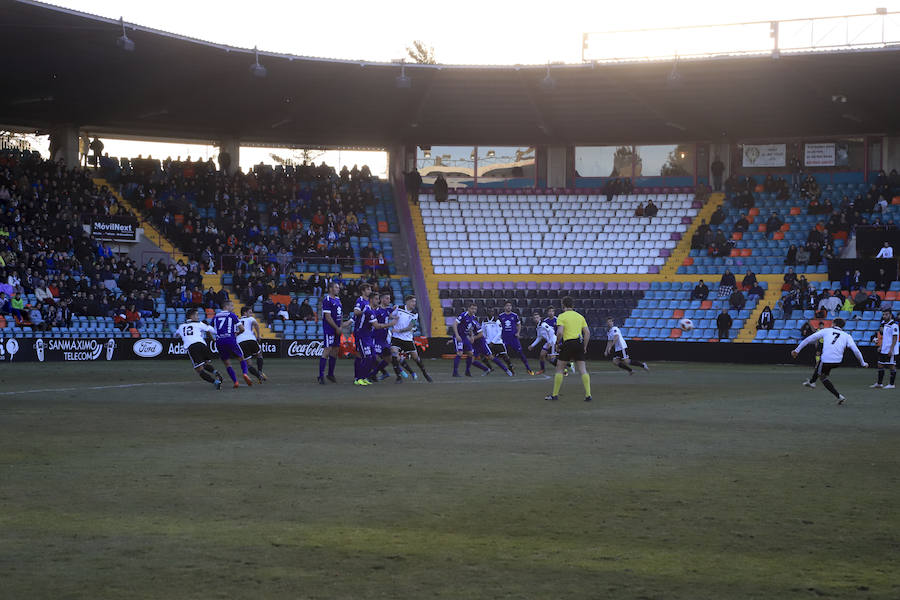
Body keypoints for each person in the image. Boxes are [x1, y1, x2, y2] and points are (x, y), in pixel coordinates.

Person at [794, 318, 867, 404]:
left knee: (822, 374)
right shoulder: (847, 336)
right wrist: (863, 363)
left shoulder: (826, 330)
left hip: (826, 360)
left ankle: (838, 396)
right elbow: (856, 350)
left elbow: (809, 339)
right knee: (821, 365)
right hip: (838, 362)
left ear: (833, 324)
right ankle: (812, 382)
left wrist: (797, 350)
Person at [544, 296, 592, 403]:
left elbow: (560, 332)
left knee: (560, 368)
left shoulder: (562, 316)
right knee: (582, 369)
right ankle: (588, 395)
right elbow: (587, 333)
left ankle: (555, 395)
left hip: (568, 343)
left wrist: (557, 343)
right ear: (573, 305)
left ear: (563, 305)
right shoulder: (580, 316)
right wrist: (584, 346)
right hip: (579, 343)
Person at [174, 308, 223, 389]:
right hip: (203, 345)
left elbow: (175, 335)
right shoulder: (200, 324)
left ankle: (216, 382)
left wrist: (181, 335)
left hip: (193, 347)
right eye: (197, 315)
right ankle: (216, 372)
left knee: (199, 370)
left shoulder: (181, 326)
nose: (198, 317)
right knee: (206, 364)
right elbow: (213, 330)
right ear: (191, 316)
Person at [389, 295, 432, 382]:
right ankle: (398, 377)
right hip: (396, 338)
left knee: (416, 358)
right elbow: (389, 315)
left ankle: (425, 373)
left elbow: (410, 327)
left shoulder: (415, 313)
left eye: (415, 302)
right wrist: (393, 317)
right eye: (412, 301)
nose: (414, 303)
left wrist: (398, 330)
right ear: (407, 301)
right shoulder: (399, 308)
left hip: (407, 339)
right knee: (394, 354)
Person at [213, 300, 254, 388]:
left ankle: (235, 382)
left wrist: (213, 339)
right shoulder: (232, 315)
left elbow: (209, 329)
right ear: (226, 307)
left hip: (219, 341)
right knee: (241, 358)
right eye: (231, 306)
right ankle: (245, 374)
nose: (233, 307)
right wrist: (237, 333)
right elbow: (242, 329)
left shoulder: (216, 316)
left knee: (227, 363)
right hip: (230, 339)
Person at [450, 303, 491, 377]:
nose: (473, 310)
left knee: (470, 354)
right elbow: (454, 324)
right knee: (460, 353)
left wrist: (472, 336)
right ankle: (455, 372)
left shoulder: (473, 317)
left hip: (465, 337)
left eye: (475, 309)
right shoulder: (463, 315)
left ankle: (467, 371)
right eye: (472, 308)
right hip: (459, 336)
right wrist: (457, 335)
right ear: (468, 308)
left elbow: (470, 327)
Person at [352, 283, 378, 386]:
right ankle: (358, 378)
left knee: (367, 356)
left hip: (368, 333)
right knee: (364, 356)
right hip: (360, 333)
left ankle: (363, 376)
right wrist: (365, 311)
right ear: (363, 291)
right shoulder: (360, 301)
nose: (370, 291)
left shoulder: (368, 302)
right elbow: (356, 312)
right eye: (368, 289)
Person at [497, 301, 533, 374]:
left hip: (513, 338)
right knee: (504, 354)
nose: (508, 307)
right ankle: (510, 368)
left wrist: (518, 333)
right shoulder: (500, 316)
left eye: (510, 305)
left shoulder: (515, 315)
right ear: (504, 307)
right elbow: (497, 326)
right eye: (507, 306)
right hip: (504, 338)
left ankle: (528, 368)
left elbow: (519, 324)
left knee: (520, 353)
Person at [318, 282, 342, 384]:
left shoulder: (338, 300)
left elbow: (339, 315)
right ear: (330, 289)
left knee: (335, 350)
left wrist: (340, 327)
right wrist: (337, 327)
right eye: (336, 287)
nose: (338, 289)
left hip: (337, 328)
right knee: (327, 350)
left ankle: (330, 374)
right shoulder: (327, 300)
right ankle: (320, 375)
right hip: (330, 329)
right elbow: (328, 317)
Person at [237, 306, 267, 384]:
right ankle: (260, 371)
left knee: (249, 364)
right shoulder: (250, 319)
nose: (251, 314)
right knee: (259, 355)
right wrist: (258, 335)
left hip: (240, 342)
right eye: (250, 312)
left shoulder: (237, 321)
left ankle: (258, 375)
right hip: (250, 339)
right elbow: (256, 325)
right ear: (244, 313)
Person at [871, 309, 899, 389]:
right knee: (880, 364)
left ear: (890, 315)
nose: (884, 316)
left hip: (891, 349)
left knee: (891, 365)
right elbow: (884, 337)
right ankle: (879, 383)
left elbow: (895, 338)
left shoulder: (894, 325)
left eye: (886, 314)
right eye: (883, 315)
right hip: (884, 348)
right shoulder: (884, 324)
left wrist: (891, 349)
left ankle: (891, 384)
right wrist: (881, 346)